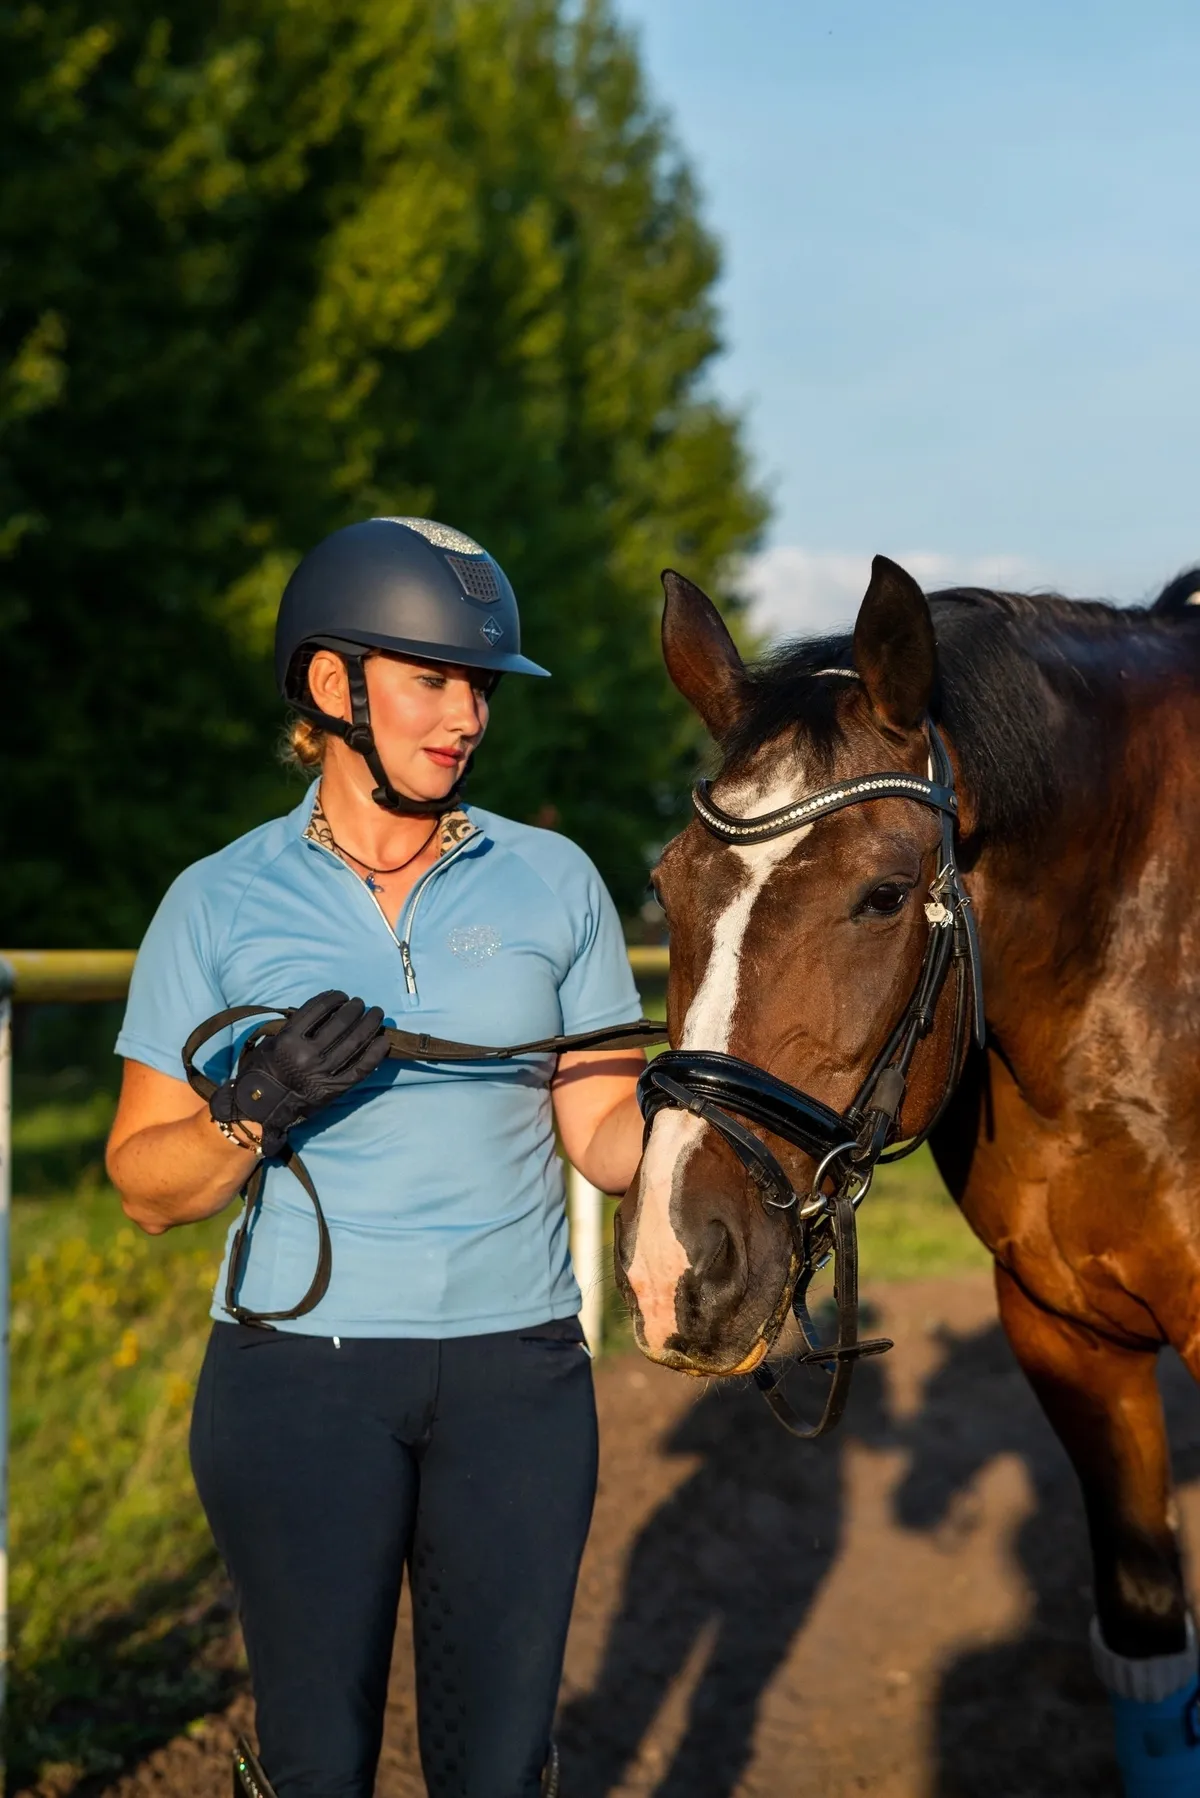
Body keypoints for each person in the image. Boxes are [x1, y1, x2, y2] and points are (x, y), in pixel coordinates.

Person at [105, 516, 650, 1798]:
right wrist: (255, 1106)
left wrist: (708, 1104)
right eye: (432, 679)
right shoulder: (218, 898)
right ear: (329, 685)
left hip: (518, 1378)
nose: (466, 715)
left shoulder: (555, 880)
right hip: (298, 1384)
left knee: (502, 1770)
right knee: (318, 1764)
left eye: (480, 687)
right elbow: (141, 1189)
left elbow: (608, 1144)